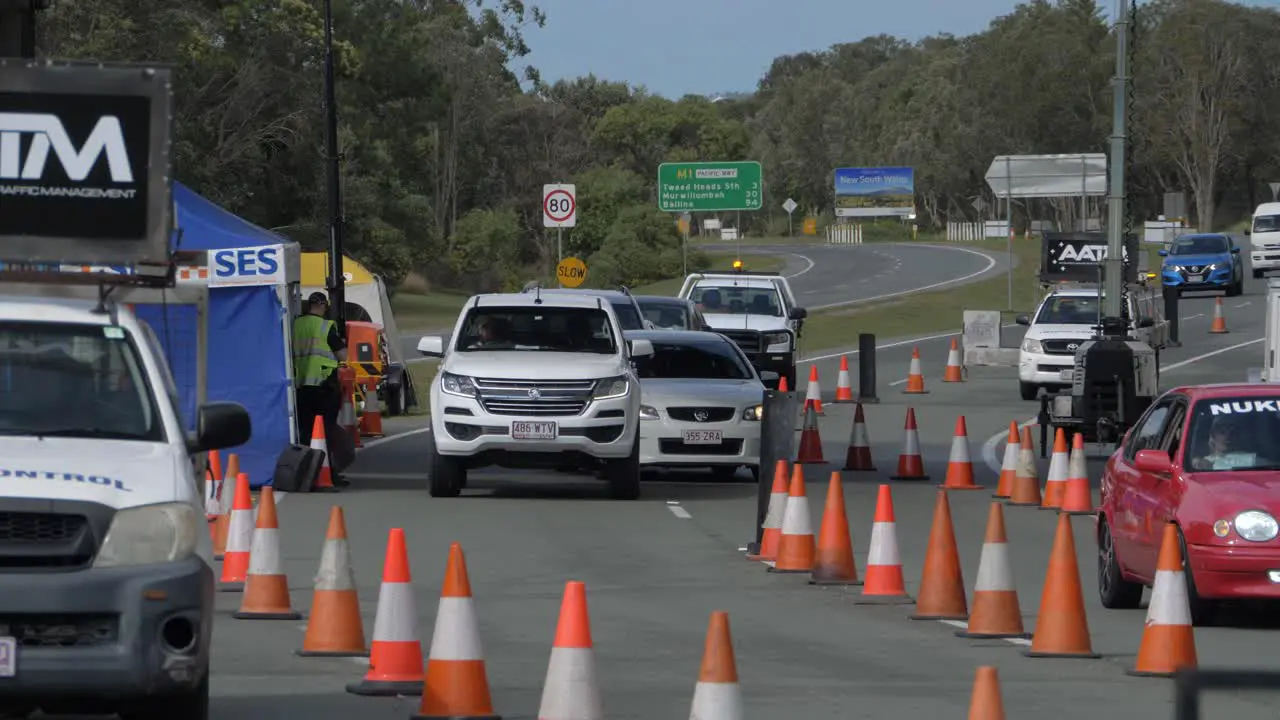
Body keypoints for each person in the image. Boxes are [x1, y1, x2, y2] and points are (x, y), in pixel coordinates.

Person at [292, 291, 350, 483]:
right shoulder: (326, 327)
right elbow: (343, 356)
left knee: (306, 431)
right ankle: (327, 473)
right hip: (324, 387)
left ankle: (305, 471)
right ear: (323, 306)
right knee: (327, 432)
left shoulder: (295, 325)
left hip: (300, 387)